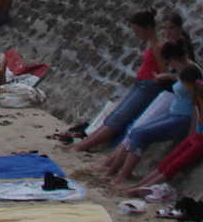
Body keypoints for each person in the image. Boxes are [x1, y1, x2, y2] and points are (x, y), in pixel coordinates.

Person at [68, 11, 166, 151]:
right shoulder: (151, 41)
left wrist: (157, 78)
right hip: (142, 82)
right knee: (115, 114)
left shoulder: (158, 45)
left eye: (138, 31)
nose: (137, 34)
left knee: (120, 117)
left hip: (148, 85)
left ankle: (84, 145)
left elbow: (163, 69)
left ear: (149, 28)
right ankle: (84, 143)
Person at [107, 64, 202, 185]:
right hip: (177, 117)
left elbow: (195, 114)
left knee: (142, 135)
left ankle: (125, 176)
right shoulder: (196, 93)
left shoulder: (197, 92)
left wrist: (191, 133)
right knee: (136, 132)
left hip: (184, 122)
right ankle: (121, 174)